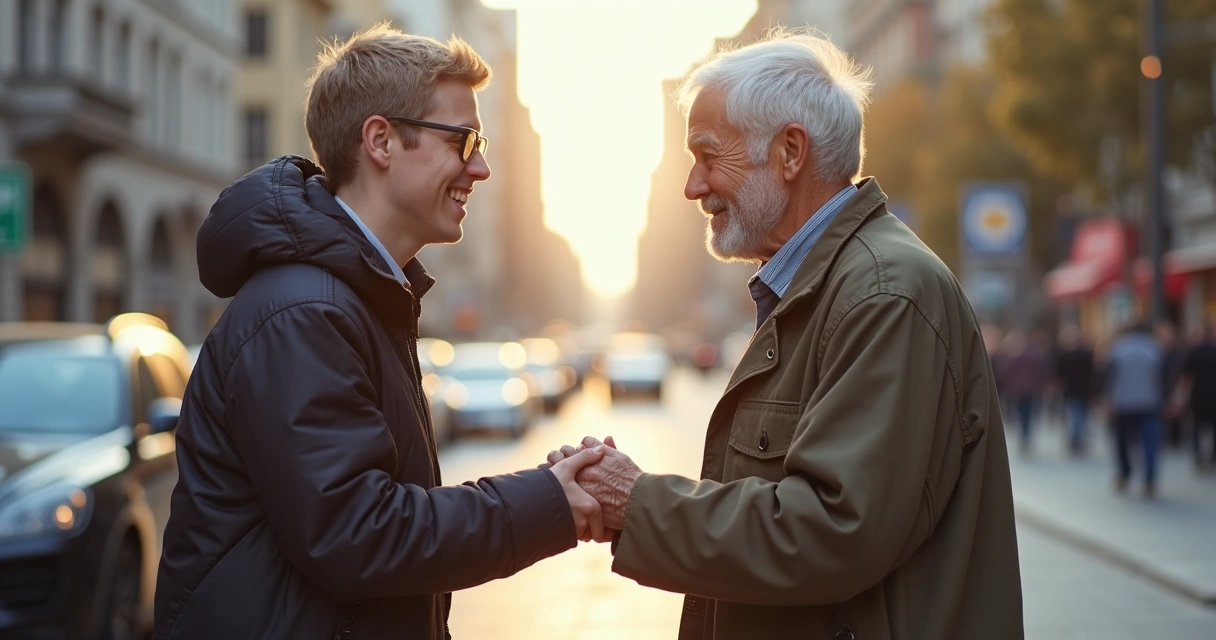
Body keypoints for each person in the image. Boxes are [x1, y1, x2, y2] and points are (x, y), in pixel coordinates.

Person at [550, 31, 1022, 639]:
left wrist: (637, 501)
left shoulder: (882, 294)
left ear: (790, 153)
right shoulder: (831, 286)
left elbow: (831, 531)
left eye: (708, 156)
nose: (693, 186)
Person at [154, 26, 606, 640]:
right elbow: (358, 534)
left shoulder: (353, 299)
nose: (481, 166)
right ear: (381, 141)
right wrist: (546, 502)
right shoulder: (305, 312)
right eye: (463, 140)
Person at [1103, 321, 1165, 498]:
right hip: (1150, 402)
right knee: (1150, 443)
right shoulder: (1155, 349)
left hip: (1123, 403)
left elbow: (1108, 376)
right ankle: (1150, 479)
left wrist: (1108, 400)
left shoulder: (1118, 349)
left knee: (1122, 442)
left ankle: (1124, 473)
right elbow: (1164, 377)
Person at [998, 329, 1050, 454]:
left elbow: (1003, 373)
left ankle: (1024, 434)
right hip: (1031, 389)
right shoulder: (1035, 355)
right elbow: (1042, 371)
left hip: (1017, 390)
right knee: (1028, 413)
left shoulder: (1012, 356)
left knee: (1021, 413)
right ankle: (1026, 434)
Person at [1055, 325, 1096, 454]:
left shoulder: (1065, 355)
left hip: (1071, 389)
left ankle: (1076, 438)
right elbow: (1092, 373)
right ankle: (1077, 437)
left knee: (1074, 414)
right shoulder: (1086, 354)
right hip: (1083, 389)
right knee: (1080, 414)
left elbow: (1059, 374)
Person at [1181, 324, 1216, 470]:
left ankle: (1198, 456)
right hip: (1214, 394)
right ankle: (1213, 457)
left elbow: (1186, 375)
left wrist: (1183, 394)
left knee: (1196, 425)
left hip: (1198, 394)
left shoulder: (1194, 351)